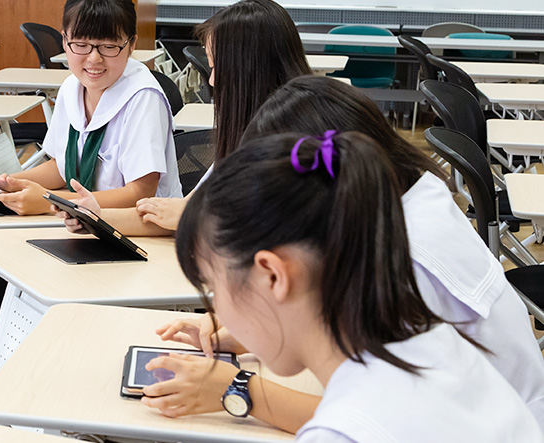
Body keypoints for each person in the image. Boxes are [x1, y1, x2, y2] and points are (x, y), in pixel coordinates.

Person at [146, 76, 544, 432]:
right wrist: (258, 328)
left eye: (214, 287)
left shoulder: (411, 260)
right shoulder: (410, 208)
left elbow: (361, 417)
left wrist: (234, 388)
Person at [63, 0, 311, 235]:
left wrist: (191, 217)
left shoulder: (288, 145)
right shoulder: (251, 129)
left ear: (249, 70)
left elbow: (257, 225)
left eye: (216, 68)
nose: (212, 80)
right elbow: (182, 211)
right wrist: (95, 218)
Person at [0, 0, 180, 213]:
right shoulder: (71, 88)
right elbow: (62, 168)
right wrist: (6, 184)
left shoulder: (143, 98)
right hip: (81, 221)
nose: (94, 58)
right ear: (65, 41)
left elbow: (140, 192)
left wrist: (50, 201)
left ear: (131, 44)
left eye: (109, 46)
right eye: (81, 44)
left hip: (139, 231)